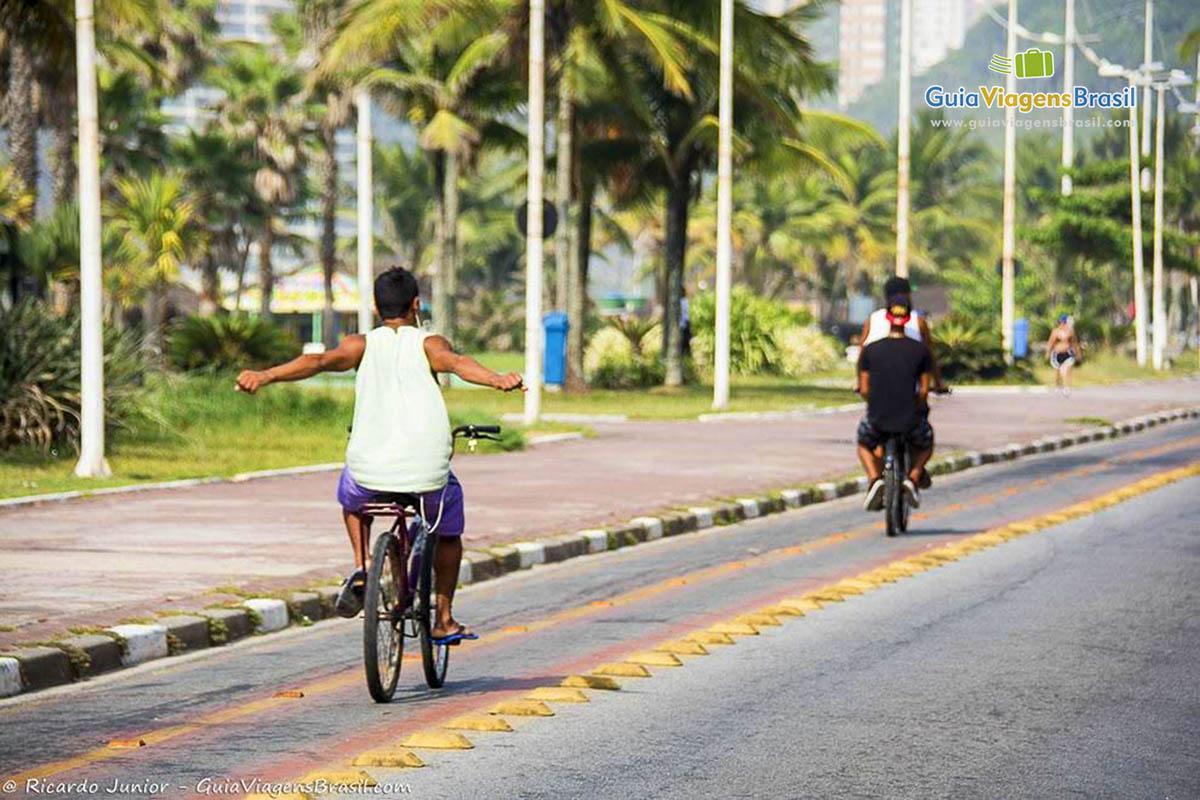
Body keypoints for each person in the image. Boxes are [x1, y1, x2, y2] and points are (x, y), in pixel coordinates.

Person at [235, 267, 524, 642]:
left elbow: (318, 362)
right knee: (448, 530)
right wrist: (497, 379)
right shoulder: (429, 343)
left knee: (351, 495)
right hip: (426, 473)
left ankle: (363, 565)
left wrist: (266, 375)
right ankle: (444, 619)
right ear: (416, 304)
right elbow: (457, 363)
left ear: (374, 306)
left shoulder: (361, 345)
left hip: (369, 470)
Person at [856, 275, 945, 488]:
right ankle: (915, 473)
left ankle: (876, 477)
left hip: (878, 396)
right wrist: (939, 384)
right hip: (910, 398)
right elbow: (929, 363)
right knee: (922, 429)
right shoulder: (919, 326)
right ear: (908, 297)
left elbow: (861, 360)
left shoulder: (872, 323)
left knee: (870, 434)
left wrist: (862, 386)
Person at [1046, 314, 1079, 395]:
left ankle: (1067, 387)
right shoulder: (1055, 332)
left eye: (1063, 322)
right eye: (1060, 322)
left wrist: (1078, 353)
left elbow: (1074, 343)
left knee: (1068, 370)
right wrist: (1048, 353)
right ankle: (1057, 385)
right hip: (1057, 354)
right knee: (1057, 371)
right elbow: (1050, 343)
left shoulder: (1070, 332)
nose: (1062, 324)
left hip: (1067, 353)